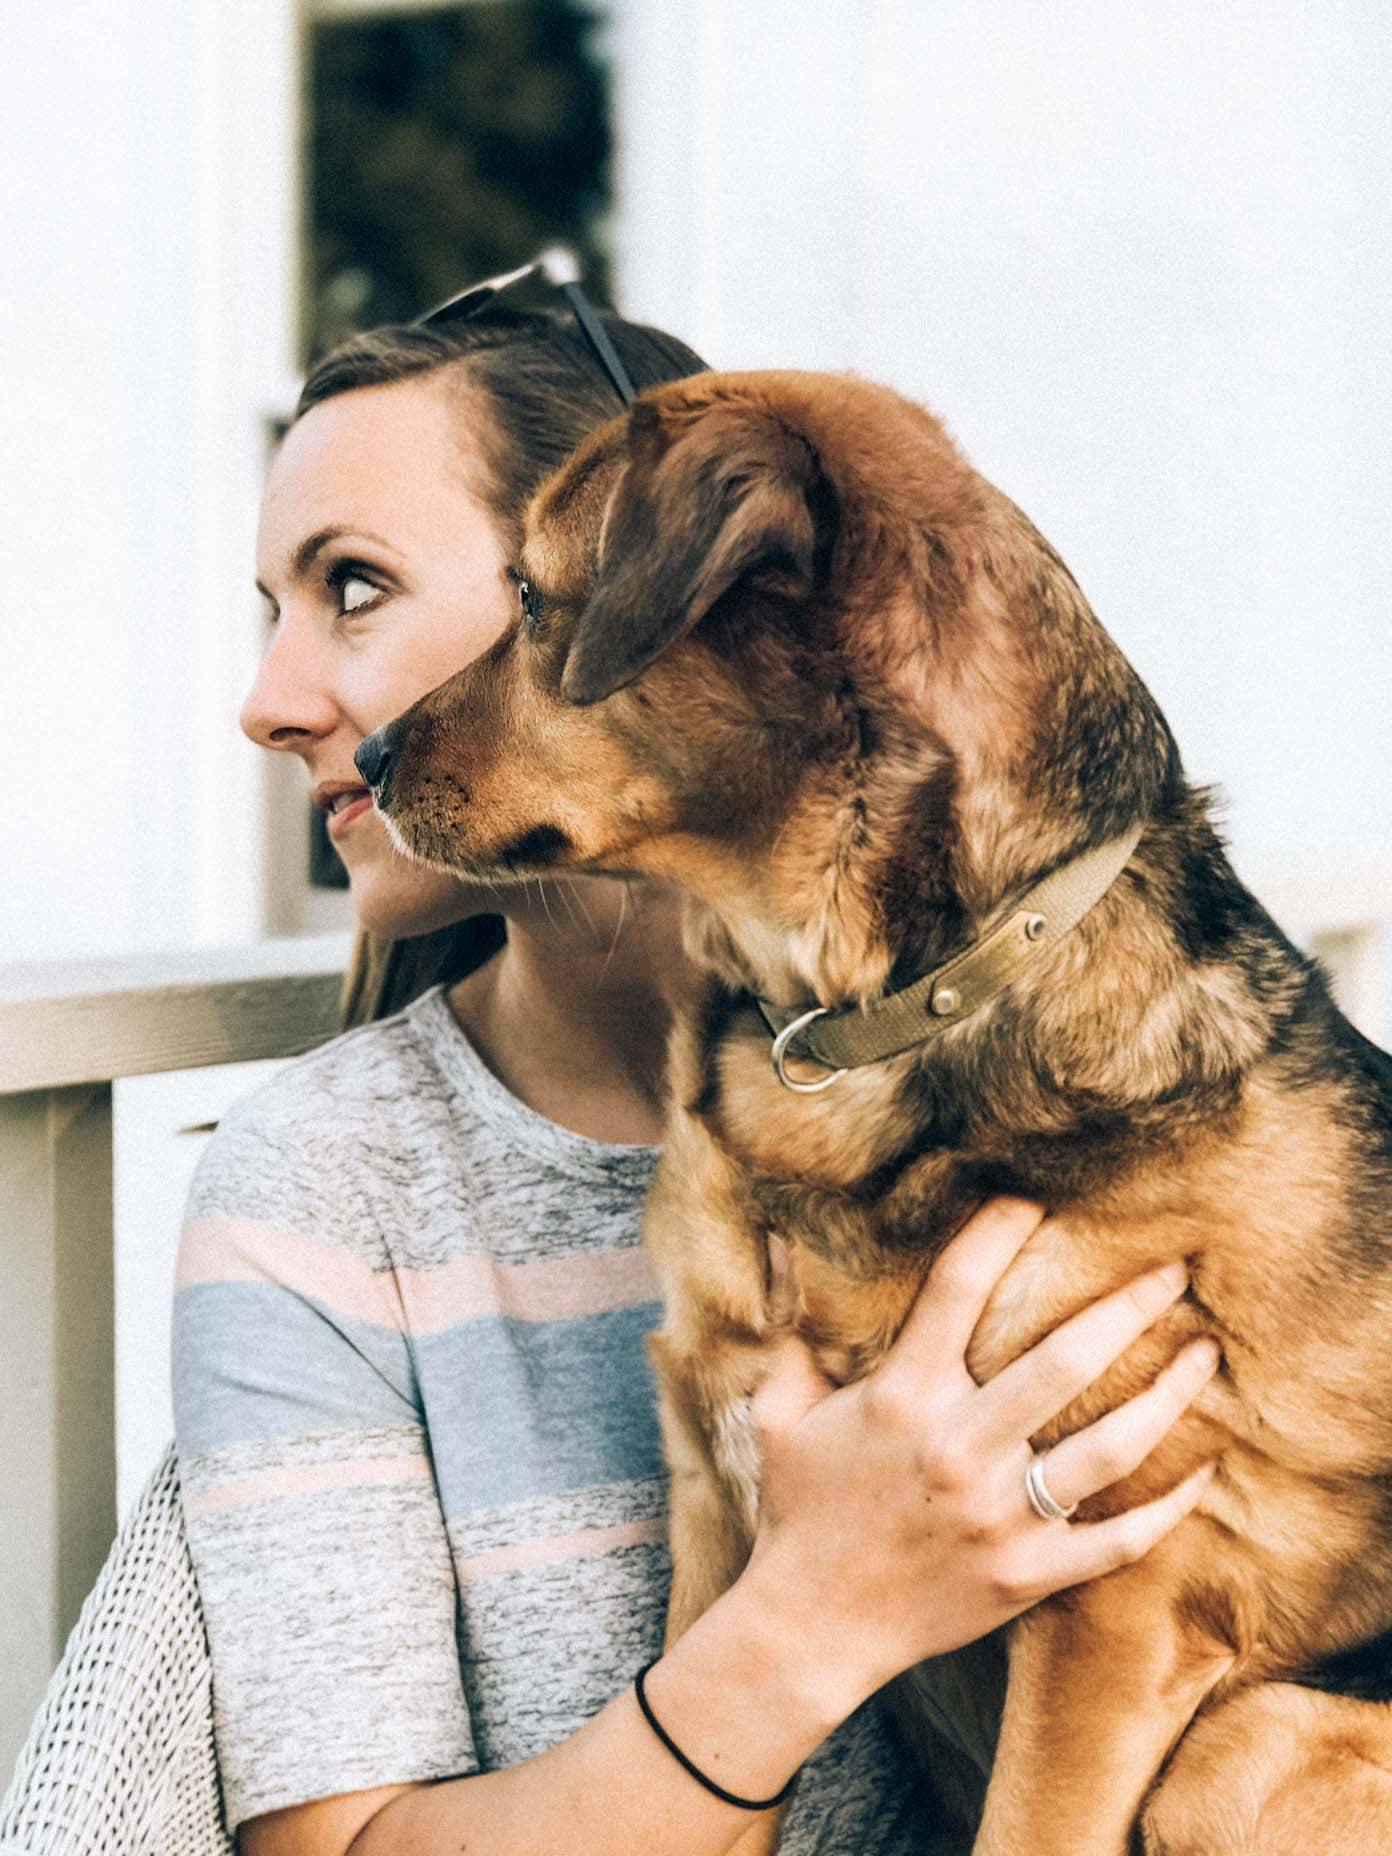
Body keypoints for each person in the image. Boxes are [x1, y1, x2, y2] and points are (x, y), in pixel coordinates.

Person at [172, 276, 1219, 1856]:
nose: (270, 701)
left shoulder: (1073, 1106)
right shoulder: (323, 1184)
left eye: (358, 588)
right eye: (275, 611)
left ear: (670, 579)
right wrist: (814, 1613)